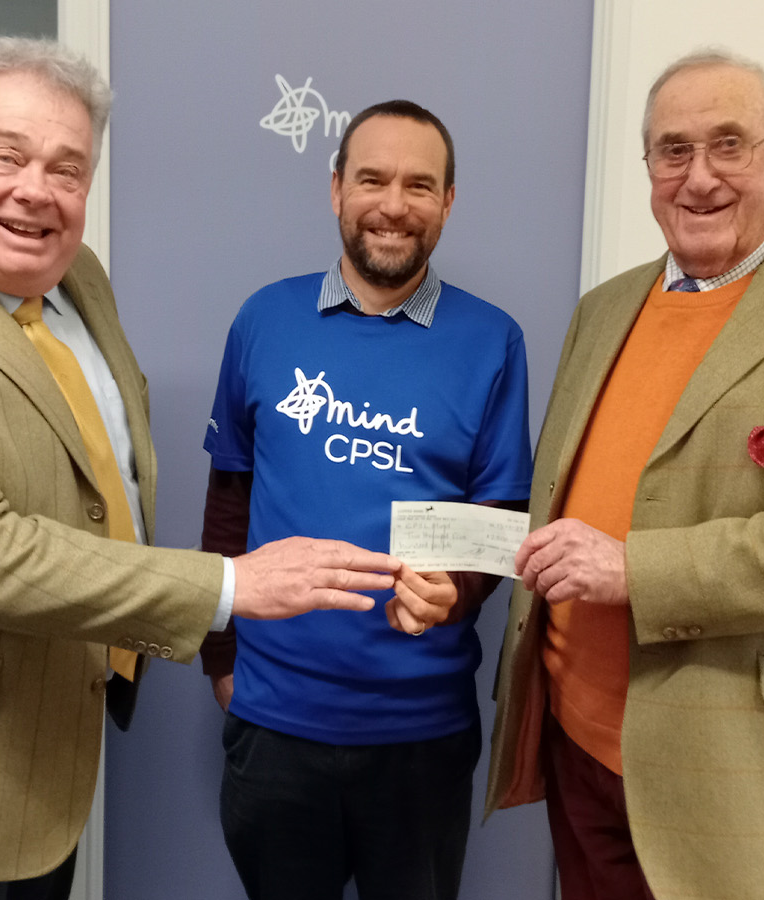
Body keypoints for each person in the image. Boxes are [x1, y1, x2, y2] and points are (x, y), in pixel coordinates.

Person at [0, 37, 398, 899]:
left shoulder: (75, 277)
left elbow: (91, 472)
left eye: (68, 169)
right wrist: (227, 586)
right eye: (7, 155)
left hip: (47, 752)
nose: (37, 190)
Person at [484, 49, 764, 900]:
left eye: (729, 145)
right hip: (578, 749)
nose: (698, 179)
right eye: (673, 150)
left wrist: (634, 568)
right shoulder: (604, 309)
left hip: (736, 779)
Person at [198, 100, 532, 900]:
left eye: (421, 185)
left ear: (449, 202)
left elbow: (497, 523)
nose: (394, 204)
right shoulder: (264, 319)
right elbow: (228, 502)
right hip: (273, 725)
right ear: (337, 189)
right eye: (373, 179)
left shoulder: (494, 341)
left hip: (421, 737)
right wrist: (219, 660)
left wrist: (457, 595)